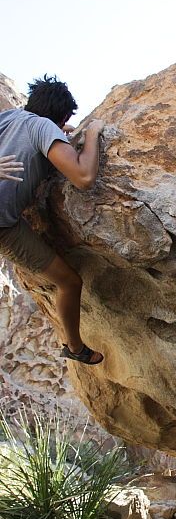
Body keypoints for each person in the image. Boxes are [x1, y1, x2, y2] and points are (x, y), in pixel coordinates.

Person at [0, 74, 104, 365]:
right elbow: (83, 177)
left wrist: (57, 132)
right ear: (60, 117)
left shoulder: (11, 117)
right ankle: (74, 348)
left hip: (6, 224)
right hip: (3, 228)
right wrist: (93, 133)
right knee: (69, 282)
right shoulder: (42, 127)